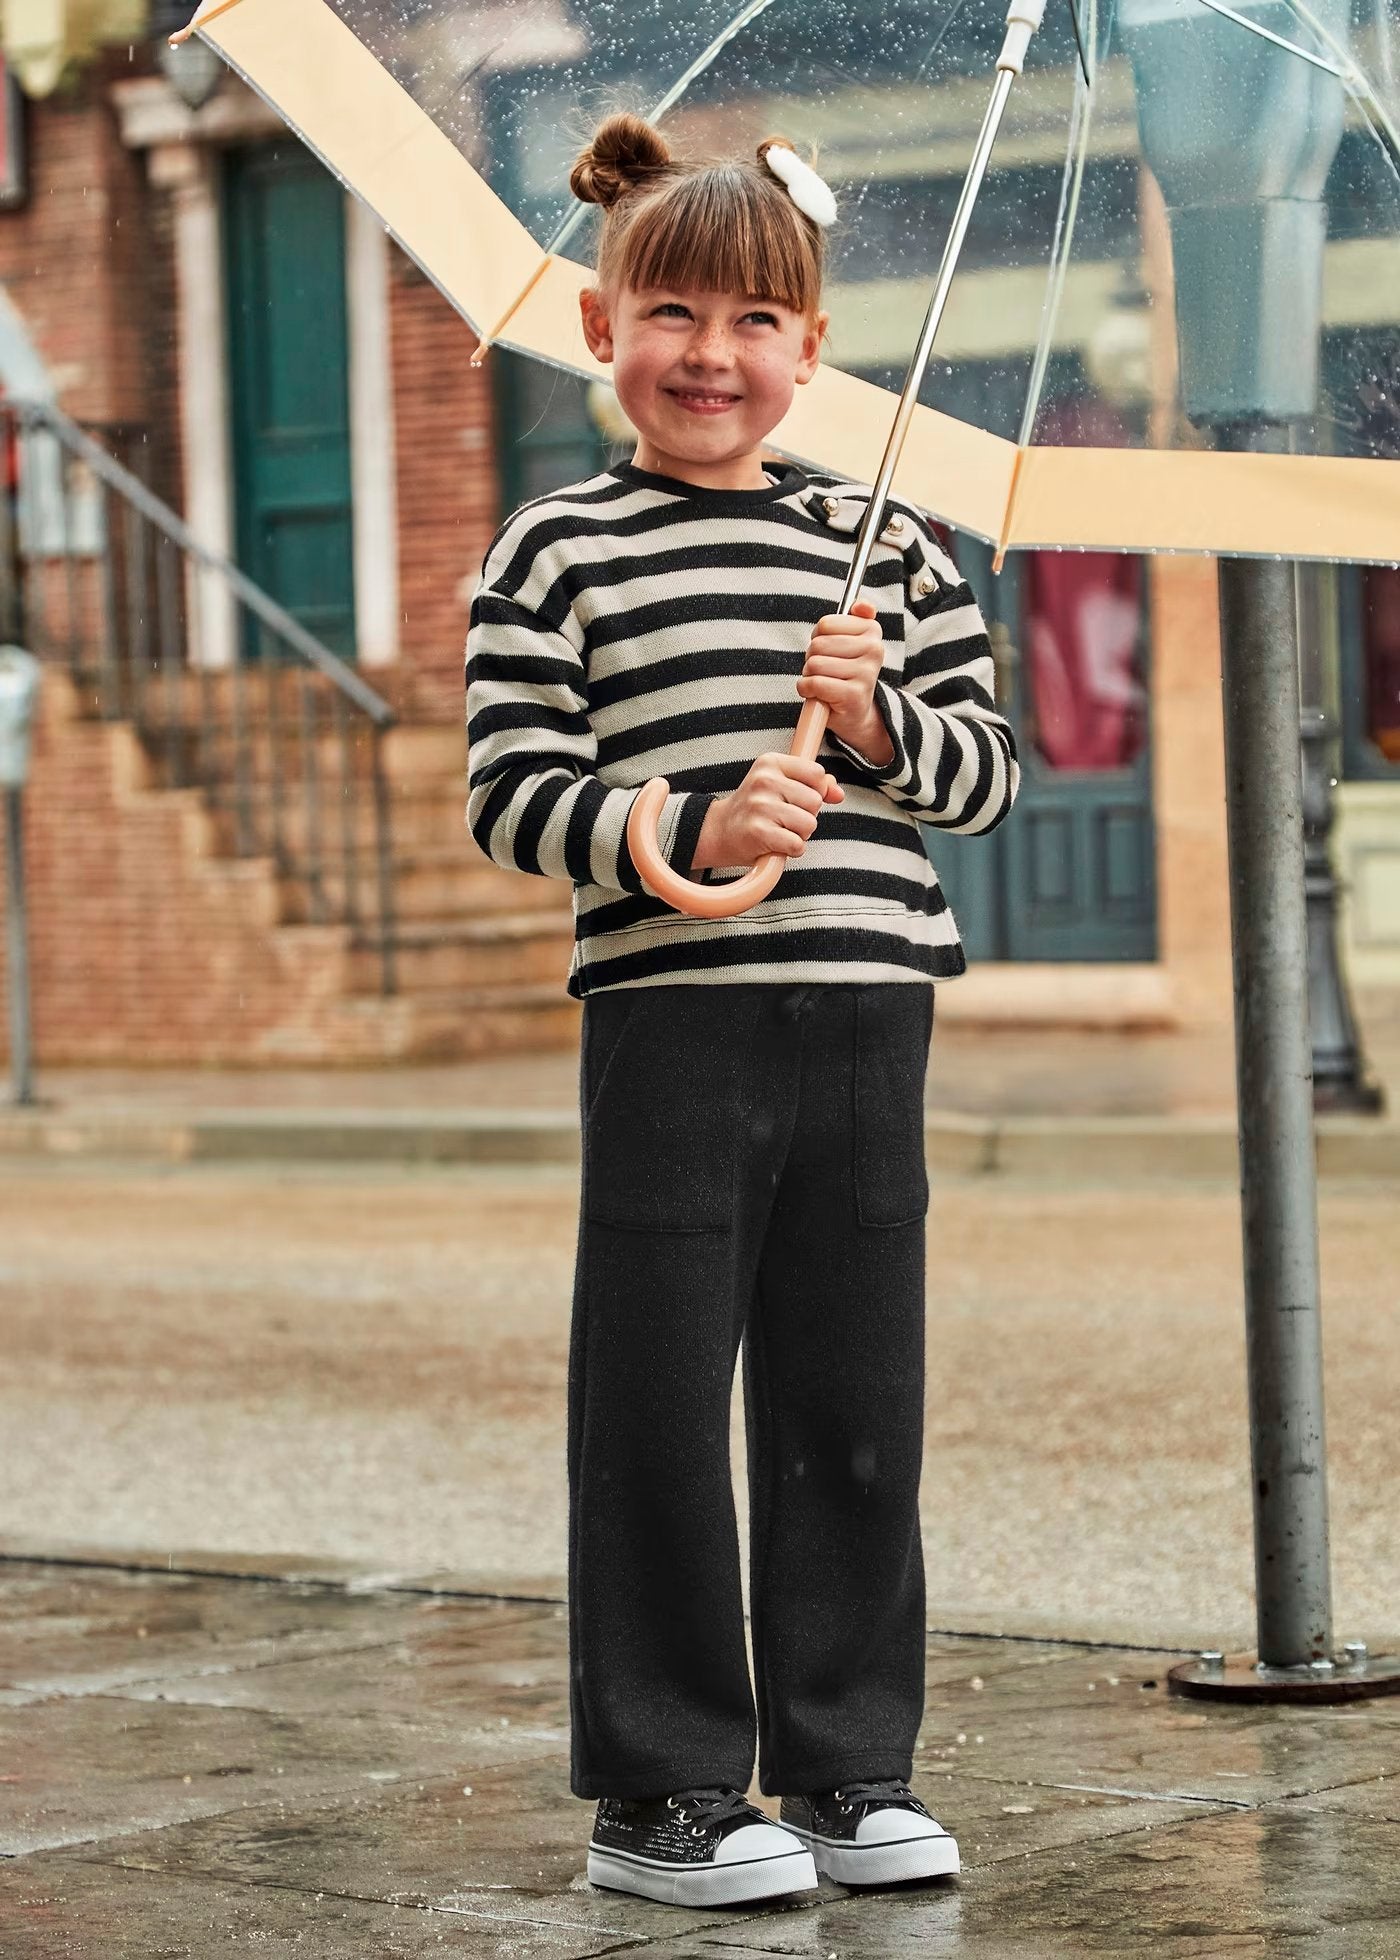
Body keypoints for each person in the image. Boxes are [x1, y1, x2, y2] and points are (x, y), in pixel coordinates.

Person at [465, 110, 1019, 1910]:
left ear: (812, 349)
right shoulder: (554, 550)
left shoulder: (888, 552)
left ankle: (851, 1763)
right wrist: (686, 829)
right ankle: (666, 1787)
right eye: (674, 314)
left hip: (866, 1014)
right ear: (601, 327)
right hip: (672, 1017)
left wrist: (873, 725)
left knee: (855, 1397)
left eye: (756, 322)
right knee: (652, 1395)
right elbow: (512, 797)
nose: (714, 355)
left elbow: (986, 775)